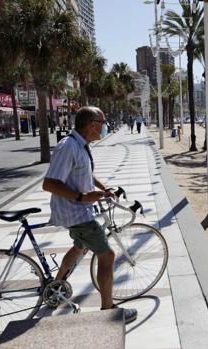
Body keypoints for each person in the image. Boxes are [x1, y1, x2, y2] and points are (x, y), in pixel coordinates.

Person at [42, 106, 137, 323]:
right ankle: (108, 311)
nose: (105, 127)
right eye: (102, 124)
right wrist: (81, 197)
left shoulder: (80, 145)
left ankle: (55, 291)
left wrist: (104, 189)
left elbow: (85, 173)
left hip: (78, 210)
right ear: (92, 125)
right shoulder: (68, 147)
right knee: (107, 255)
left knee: (79, 247)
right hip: (76, 212)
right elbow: (49, 183)